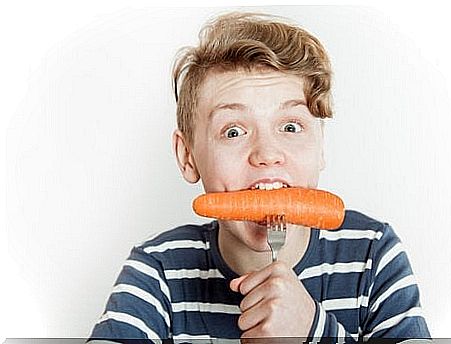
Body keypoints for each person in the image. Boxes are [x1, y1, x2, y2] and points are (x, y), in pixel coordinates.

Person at [88, 11, 431, 342]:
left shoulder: (372, 254)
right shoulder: (158, 270)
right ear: (187, 156)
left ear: (321, 146)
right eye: (234, 131)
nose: (267, 153)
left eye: (291, 126)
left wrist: (312, 332)